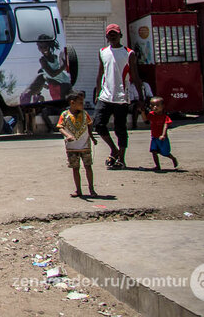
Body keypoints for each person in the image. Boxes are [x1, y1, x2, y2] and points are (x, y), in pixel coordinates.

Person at [93, 24, 141, 169]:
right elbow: (100, 73)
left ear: (120, 36)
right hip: (105, 96)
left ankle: (121, 158)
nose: (112, 36)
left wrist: (141, 98)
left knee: (120, 129)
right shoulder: (103, 52)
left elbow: (135, 76)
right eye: (110, 34)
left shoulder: (128, 53)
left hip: (121, 97)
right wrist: (97, 92)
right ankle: (113, 149)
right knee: (98, 124)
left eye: (115, 34)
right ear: (106, 37)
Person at [57, 90, 98, 198]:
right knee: (75, 168)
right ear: (72, 103)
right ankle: (78, 190)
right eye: (80, 103)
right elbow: (60, 127)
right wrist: (68, 136)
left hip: (85, 145)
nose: (82, 105)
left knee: (88, 167)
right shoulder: (64, 115)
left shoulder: (85, 114)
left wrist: (92, 137)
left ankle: (91, 189)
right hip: (72, 147)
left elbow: (89, 125)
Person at [146, 96, 179, 171]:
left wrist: (163, 135)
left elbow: (165, 126)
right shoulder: (151, 115)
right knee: (153, 151)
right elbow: (146, 119)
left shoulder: (165, 117)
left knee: (165, 153)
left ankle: (173, 158)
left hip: (162, 138)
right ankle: (157, 166)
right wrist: (142, 112)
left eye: (157, 105)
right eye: (153, 105)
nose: (155, 107)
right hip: (154, 137)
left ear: (163, 106)